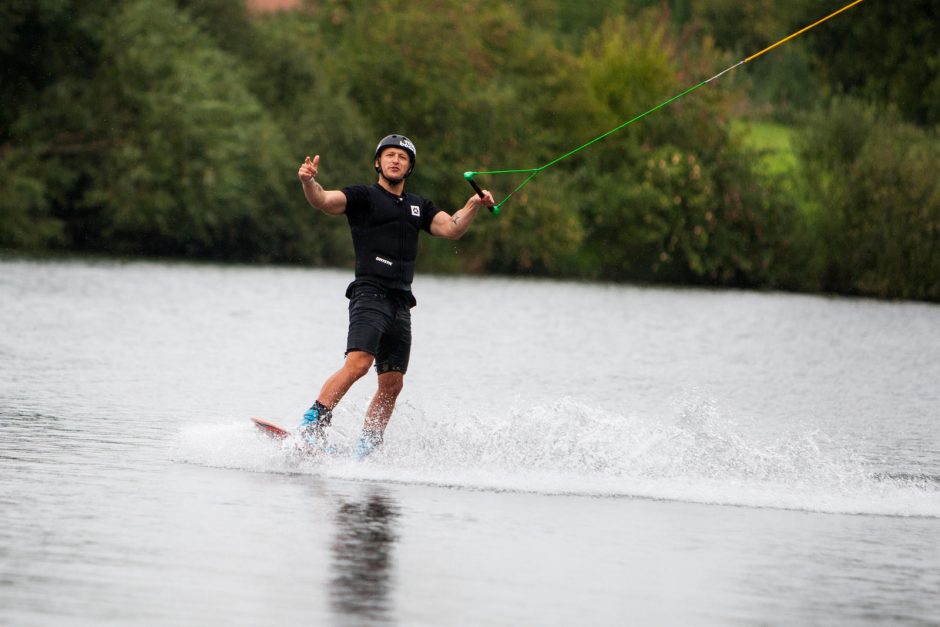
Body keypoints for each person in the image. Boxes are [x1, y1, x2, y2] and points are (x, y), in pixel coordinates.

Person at [296, 134, 495, 458]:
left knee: (392, 383)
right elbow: (323, 201)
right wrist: (309, 183)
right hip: (369, 293)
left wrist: (473, 205)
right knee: (359, 363)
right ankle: (311, 426)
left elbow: (451, 228)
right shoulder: (363, 196)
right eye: (389, 155)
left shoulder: (419, 206)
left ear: (409, 166)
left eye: (402, 157)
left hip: (401, 302)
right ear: (378, 162)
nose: (395, 160)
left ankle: (367, 448)